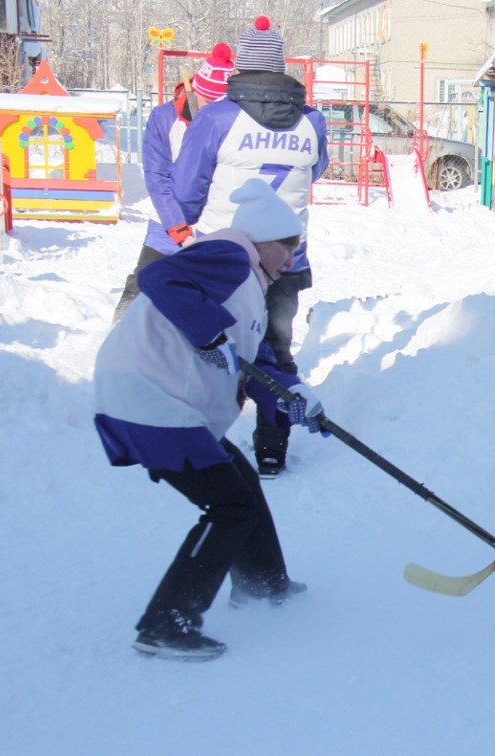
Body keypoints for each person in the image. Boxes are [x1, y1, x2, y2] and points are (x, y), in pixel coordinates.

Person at [94, 179, 329, 661]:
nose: (291, 258)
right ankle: (165, 625)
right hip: (150, 404)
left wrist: (295, 397)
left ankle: (264, 585)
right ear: (262, 240)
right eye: (286, 246)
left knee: (241, 485)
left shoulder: (247, 284)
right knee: (230, 506)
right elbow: (160, 280)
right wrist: (206, 334)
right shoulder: (227, 255)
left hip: (168, 408)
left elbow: (255, 358)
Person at [174, 16, 330, 478]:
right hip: (285, 259)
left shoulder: (219, 116)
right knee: (277, 351)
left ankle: (201, 443)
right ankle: (271, 450)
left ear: (240, 69)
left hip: (223, 259)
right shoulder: (312, 121)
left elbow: (187, 187)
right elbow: (315, 171)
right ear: (282, 70)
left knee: (211, 346)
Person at [112, 42, 235, 322]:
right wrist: (178, 228)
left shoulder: (234, 121)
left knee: (211, 294)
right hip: (168, 220)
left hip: (215, 222)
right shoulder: (165, 117)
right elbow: (157, 176)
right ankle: (120, 330)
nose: (210, 112)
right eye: (206, 103)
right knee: (145, 283)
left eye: (220, 106)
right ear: (195, 91)